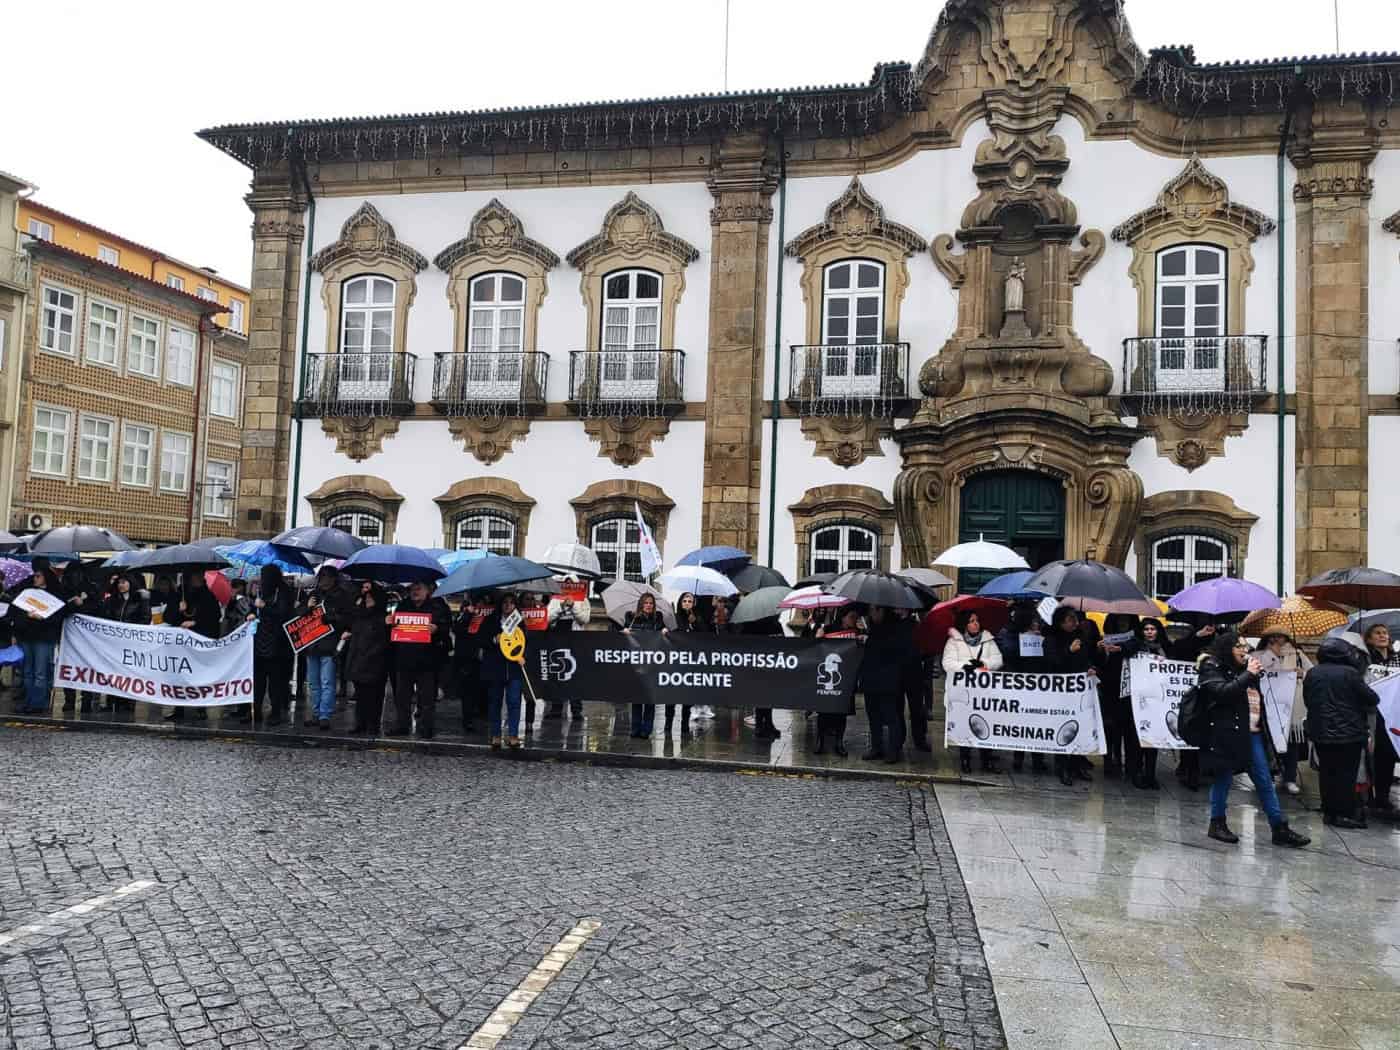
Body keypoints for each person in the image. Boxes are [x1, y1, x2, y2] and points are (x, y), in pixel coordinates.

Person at [1197, 632, 1309, 847]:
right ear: (1227, 648)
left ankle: (1279, 827)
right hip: (1227, 734)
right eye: (1238, 646)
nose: (1244, 650)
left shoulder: (1247, 670)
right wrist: (1248, 674)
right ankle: (1217, 823)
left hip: (1252, 733)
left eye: (1245, 646)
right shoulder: (1212, 667)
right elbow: (1221, 692)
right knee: (1224, 779)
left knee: (1264, 780)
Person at [1303, 636, 1380, 828]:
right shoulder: (1351, 674)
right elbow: (1372, 698)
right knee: (1346, 775)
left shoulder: (1312, 673)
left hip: (1320, 733)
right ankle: (1343, 814)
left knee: (1327, 773)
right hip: (1349, 734)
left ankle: (1329, 812)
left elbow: (1308, 700)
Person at [1117, 617, 1195, 790]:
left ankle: (1150, 774)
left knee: (1154, 738)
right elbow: (1124, 650)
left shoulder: (1165, 647)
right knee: (1136, 739)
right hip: (1137, 701)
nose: (1150, 632)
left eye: (1153, 629)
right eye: (1146, 629)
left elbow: (1175, 664)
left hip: (1158, 701)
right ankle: (1135, 772)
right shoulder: (1135, 645)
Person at [7, 563, 81, 713]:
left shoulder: (55, 594)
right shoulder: (27, 592)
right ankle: (28, 701)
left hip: (44, 638)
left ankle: (38, 703)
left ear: (46, 577)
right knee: (27, 672)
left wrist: (43, 618)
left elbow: (60, 615)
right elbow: (13, 613)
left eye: (38, 576)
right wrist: (27, 616)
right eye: (35, 576)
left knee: (40, 672)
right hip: (26, 637)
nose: (35, 578)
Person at [386, 579, 452, 739]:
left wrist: (437, 628)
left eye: (419, 588)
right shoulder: (403, 605)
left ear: (427, 590)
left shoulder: (437, 606)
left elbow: (447, 626)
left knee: (427, 697)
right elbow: (395, 627)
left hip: (427, 659)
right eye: (412, 588)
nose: (415, 591)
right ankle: (402, 725)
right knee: (402, 696)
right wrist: (390, 623)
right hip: (404, 658)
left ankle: (426, 726)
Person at [1252, 631, 1314, 796]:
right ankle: (1265, 777)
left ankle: (1290, 778)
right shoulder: (1258, 655)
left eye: (1281, 636)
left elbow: (1313, 673)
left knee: (1291, 744)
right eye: (1274, 636)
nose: (1277, 639)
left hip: (1291, 705)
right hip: (1266, 705)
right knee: (1266, 743)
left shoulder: (1297, 654)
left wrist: (1303, 673)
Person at [1043, 605, 1099, 786]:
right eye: (1070, 619)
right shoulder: (1051, 639)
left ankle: (1077, 764)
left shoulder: (1080, 637)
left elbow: (1085, 659)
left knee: (1080, 726)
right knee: (1064, 728)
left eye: (1075, 618)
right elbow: (1052, 663)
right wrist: (1069, 651)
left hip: (1079, 691)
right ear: (1060, 622)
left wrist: (1090, 668)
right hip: (1061, 692)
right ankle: (1062, 767)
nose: (1074, 622)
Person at [944, 608, 1005, 773]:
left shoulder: (988, 640)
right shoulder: (954, 642)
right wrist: (965, 666)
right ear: (964, 624)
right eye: (971, 621)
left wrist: (984, 664)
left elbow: (998, 660)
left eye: (977, 620)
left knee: (985, 725)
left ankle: (986, 760)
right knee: (965, 725)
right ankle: (965, 759)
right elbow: (947, 663)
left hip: (984, 693)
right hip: (964, 693)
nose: (975, 623)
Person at [996, 603, 1049, 774]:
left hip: (1037, 684)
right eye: (1033, 621)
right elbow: (1007, 652)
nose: (1037, 624)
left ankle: (1037, 759)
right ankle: (1018, 758)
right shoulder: (1008, 633)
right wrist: (1025, 640)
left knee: (1037, 722)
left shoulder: (1041, 634)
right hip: (1018, 683)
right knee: (1021, 722)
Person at [299, 565, 353, 729]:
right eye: (321, 577)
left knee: (327, 681)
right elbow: (298, 616)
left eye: (326, 577)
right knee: (314, 683)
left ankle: (324, 715)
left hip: (329, 645)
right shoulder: (314, 595)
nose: (322, 580)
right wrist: (307, 607)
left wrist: (330, 618)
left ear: (333, 579)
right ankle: (316, 714)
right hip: (312, 644)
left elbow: (346, 618)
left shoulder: (342, 596)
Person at [165, 570, 222, 723]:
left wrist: (195, 622)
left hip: (199, 643)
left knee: (199, 675)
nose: (197, 579)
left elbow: (214, 618)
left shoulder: (208, 596)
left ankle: (200, 707)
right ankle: (179, 708)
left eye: (199, 577)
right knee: (180, 675)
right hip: (181, 645)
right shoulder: (179, 594)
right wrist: (179, 610)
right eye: (194, 577)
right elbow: (168, 618)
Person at [861, 606, 911, 764]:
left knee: (891, 716)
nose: (871, 613)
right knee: (873, 716)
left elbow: (892, 649)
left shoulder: (896, 628)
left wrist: (869, 640)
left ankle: (893, 750)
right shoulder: (872, 627)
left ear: (882, 611)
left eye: (874, 610)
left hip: (888, 680)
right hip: (871, 679)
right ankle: (876, 747)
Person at [248, 564, 296, 726]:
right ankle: (256, 710)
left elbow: (283, 614)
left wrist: (265, 607)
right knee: (258, 680)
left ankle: (275, 712)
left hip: (277, 643)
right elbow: (254, 608)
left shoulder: (283, 592)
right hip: (260, 640)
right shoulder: (262, 591)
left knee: (275, 681)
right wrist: (251, 613)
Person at [1363, 624, 1400, 820]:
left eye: (1385, 633)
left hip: (1393, 714)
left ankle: (1383, 796)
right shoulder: (1366, 660)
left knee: (1388, 756)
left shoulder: (1397, 659)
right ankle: (1369, 794)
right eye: (1377, 633)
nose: (1383, 636)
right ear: (1368, 639)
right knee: (1372, 756)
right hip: (1373, 715)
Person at [344, 581, 391, 735]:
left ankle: (372, 724)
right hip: (359, 659)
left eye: (370, 596)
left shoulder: (382, 617)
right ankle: (361, 723)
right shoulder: (359, 614)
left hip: (374, 661)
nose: (367, 599)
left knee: (374, 696)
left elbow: (383, 639)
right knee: (361, 695)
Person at [814, 606, 862, 756]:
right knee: (823, 711)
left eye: (856, 617)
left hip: (846, 678)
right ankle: (820, 741)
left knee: (842, 712)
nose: (854, 620)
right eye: (852, 617)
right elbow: (814, 647)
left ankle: (839, 743)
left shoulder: (858, 633)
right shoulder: (828, 629)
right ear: (843, 617)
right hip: (829, 679)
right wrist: (818, 636)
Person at [100, 573, 151, 712]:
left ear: (131, 583)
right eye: (119, 583)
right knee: (113, 671)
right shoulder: (113, 600)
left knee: (128, 672)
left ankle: (127, 702)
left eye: (124, 582)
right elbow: (106, 617)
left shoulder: (140, 599)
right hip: (115, 643)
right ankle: (111, 701)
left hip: (131, 643)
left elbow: (145, 619)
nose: (121, 585)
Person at [481, 592, 526, 748]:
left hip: (514, 668)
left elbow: (525, 641)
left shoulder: (519, 622)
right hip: (495, 668)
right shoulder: (490, 621)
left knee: (514, 701)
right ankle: (496, 735)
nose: (508, 605)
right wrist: (495, 639)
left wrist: (523, 656)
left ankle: (513, 735)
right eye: (505, 602)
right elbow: (481, 640)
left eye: (512, 602)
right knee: (495, 702)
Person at [624, 593, 665, 738]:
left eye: (651, 603)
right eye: (646, 603)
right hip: (636, 662)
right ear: (641, 604)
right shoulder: (631, 617)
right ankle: (635, 728)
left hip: (652, 663)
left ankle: (646, 729)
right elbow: (623, 637)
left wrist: (664, 632)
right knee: (636, 697)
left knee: (649, 698)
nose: (648, 605)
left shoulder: (658, 618)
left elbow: (662, 635)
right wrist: (625, 632)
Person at [664, 592, 704, 736]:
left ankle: (684, 724)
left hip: (690, 663)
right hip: (675, 662)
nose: (687, 603)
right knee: (671, 696)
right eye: (685, 601)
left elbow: (704, 636)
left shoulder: (696, 618)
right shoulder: (674, 618)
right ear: (680, 602)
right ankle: (668, 724)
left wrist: (695, 623)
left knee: (686, 696)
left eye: (690, 601)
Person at [451, 593, 492, 734]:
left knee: (482, 689)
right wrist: (468, 615)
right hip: (467, 659)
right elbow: (457, 629)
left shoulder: (488, 618)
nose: (478, 607)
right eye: (476, 604)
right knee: (467, 691)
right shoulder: (465, 615)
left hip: (482, 658)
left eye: (481, 604)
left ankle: (483, 713)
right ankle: (468, 720)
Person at [544, 593, 588, 722]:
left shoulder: (583, 599)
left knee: (575, 676)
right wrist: (562, 607)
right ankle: (556, 708)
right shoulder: (554, 600)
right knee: (558, 672)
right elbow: (547, 619)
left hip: (575, 640)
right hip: (557, 639)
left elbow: (584, 619)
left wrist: (573, 605)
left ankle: (576, 710)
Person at [895, 608, 931, 752]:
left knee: (917, 709)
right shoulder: (892, 624)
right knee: (898, 708)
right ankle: (899, 738)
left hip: (914, 672)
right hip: (897, 672)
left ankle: (920, 739)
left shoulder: (917, 625)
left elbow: (925, 649)